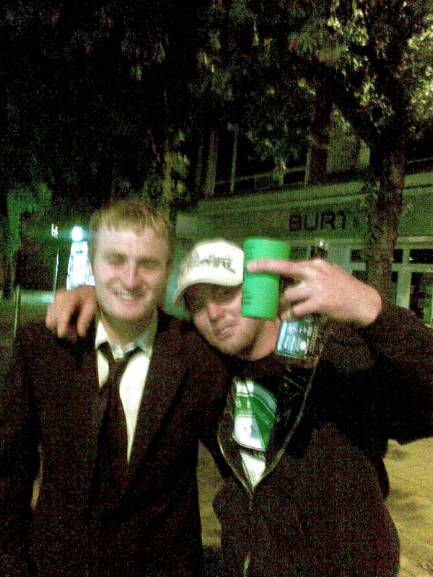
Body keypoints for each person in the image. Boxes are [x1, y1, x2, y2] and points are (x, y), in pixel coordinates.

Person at [45, 238, 433, 577]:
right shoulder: (207, 370)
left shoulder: (337, 358)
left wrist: (373, 310)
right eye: (197, 304)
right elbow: (150, 333)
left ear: (260, 291)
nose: (214, 313)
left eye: (226, 293)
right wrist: (100, 301)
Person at [0, 202, 229, 577]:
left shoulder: (199, 356)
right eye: (115, 260)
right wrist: (11, 561)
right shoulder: (42, 347)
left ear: (168, 268)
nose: (131, 279)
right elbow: (10, 470)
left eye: (148, 264)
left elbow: (242, 470)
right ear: (92, 263)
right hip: (56, 565)